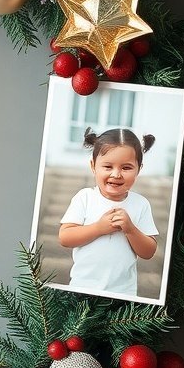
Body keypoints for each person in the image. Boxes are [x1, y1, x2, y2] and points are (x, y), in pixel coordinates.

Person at [58, 127, 159, 298]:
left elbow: (148, 252)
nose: (116, 174)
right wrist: (99, 227)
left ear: (139, 169)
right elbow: (65, 237)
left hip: (122, 293)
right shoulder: (85, 198)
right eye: (107, 166)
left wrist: (130, 229)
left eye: (126, 168)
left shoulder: (141, 204)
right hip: (83, 287)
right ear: (93, 166)